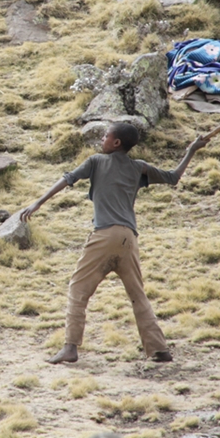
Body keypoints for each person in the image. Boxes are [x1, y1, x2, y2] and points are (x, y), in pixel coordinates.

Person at [21, 123, 209, 364]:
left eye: (106, 135)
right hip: (128, 238)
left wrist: (38, 202)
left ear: (116, 142)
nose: (102, 138)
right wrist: (192, 149)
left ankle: (70, 348)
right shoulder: (138, 167)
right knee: (137, 295)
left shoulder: (97, 161)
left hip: (104, 235)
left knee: (78, 290)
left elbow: (68, 179)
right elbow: (173, 177)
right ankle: (159, 349)